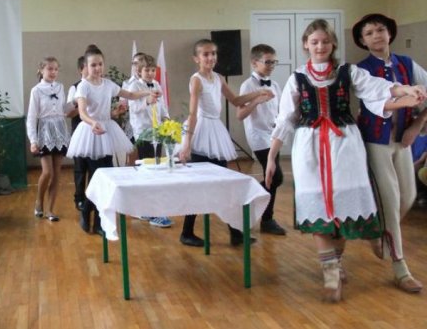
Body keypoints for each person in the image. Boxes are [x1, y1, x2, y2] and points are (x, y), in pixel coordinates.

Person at [265, 19, 424, 302]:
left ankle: (338, 261)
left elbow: (377, 88)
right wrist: (272, 157)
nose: (320, 46)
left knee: (344, 209)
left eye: (325, 41)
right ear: (306, 45)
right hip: (309, 148)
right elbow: (286, 118)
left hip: (345, 146)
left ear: (333, 44)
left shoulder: (347, 72)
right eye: (314, 42)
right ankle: (330, 273)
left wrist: (405, 91)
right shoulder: (297, 78)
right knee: (317, 208)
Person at [353, 13, 427, 293]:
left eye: (380, 30)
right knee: (389, 201)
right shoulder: (360, 70)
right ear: (363, 40)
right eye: (369, 33)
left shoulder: (407, 64)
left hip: (402, 141)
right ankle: (401, 269)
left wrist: (417, 125)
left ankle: (377, 231)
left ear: (390, 33)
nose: (376, 36)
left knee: (407, 197)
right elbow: (375, 102)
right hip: (375, 142)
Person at [178, 39, 273, 247]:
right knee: (198, 186)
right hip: (202, 132)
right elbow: (193, 114)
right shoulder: (196, 80)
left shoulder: (219, 78)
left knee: (225, 184)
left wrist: (258, 94)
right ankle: (186, 232)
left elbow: (236, 101)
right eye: (205, 54)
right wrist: (187, 143)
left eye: (213, 53)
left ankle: (235, 232)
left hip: (216, 132)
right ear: (196, 59)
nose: (211, 57)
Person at [67, 45, 158, 235]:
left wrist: (147, 93)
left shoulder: (108, 84)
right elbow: (82, 113)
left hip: (107, 131)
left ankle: (96, 220)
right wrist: (93, 122)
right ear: (86, 66)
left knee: (106, 178)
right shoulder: (83, 86)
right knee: (96, 178)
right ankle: (89, 214)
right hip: (91, 134)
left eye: (100, 64)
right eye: (93, 65)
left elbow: (130, 95)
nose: (97, 68)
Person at [237, 44, 286, 236]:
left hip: (273, 135)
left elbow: (280, 111)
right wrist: (256, 100)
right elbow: (240, 115)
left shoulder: (275, 85)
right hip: (258, 136)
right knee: (276, 176)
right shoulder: (247, 85)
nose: (272, 65)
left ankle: (267, 219)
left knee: (271, 176)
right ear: (254, 63)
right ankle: (248, 200)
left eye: (274, 62)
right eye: (268, 62)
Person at [127, 54, 173, 228]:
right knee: (147, 170)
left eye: (153, 70)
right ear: (139, 71)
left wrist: (166, 118)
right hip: (143, 132)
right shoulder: (134, 86)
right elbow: (133, 108)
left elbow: (162, 105)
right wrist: (146, 101)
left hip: (157, 131)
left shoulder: (157, 84)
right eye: (147, 70)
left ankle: (151, 208)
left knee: (157, 169)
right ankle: (148, 209)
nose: (150, 73)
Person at [26, 57, 70, 222]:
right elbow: (31, 117)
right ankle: (39, 201)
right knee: (47, 172)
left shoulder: (60, 87)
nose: (53, 72)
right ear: (41, 70)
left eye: (56, 69)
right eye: (50, 69)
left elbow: (63, 109)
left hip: (60, 130)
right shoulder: (36, 90)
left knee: (57, 173)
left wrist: (76, 103)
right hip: (45, 131)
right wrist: (33, 140)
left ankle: (51, 209)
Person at [66, 56, 89, 211]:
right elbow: (68, 113)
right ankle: (79, 198)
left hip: (95, 132)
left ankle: (93, 199)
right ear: (81, 69)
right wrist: (81, 107)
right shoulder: (74, 88)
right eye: (89, 66)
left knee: (95, 167)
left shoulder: (99, 85)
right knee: (80, 167)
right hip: (80, 132)